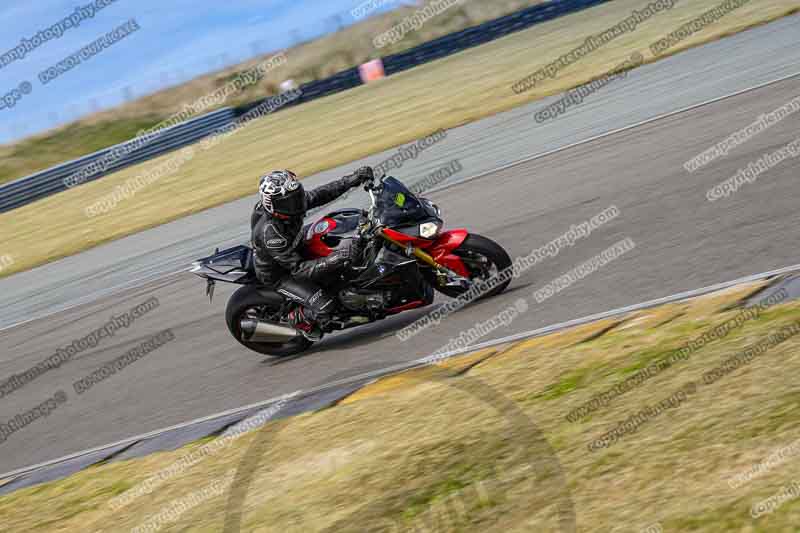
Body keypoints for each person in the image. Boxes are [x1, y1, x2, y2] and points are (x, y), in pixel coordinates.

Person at [250, 167, 374, 340]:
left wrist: (352, 179)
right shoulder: (271, 234)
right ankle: (301, 320)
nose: (297, 203)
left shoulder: (288, 203)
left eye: (296, 196)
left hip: (295, 245)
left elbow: (322, 194)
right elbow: (299, 269)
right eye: (289, 201)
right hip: (282, 273)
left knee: (344, 231)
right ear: (273, 205)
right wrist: (338, 257)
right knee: (326, 306)